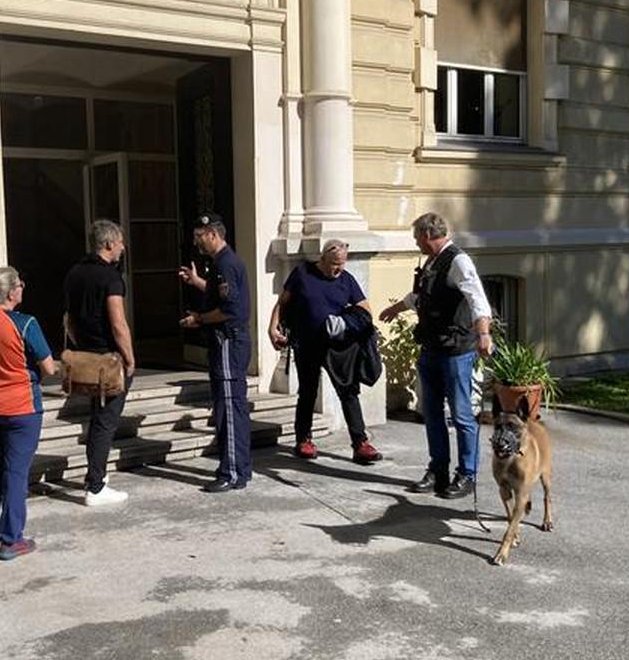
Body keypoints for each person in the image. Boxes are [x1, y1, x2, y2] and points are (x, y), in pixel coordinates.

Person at [379, 212, 493, 499]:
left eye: (417, 237)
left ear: (428, 235)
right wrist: (398, 308)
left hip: (455, 351)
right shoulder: (431, 261)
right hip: (431, 348)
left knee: (462, 415)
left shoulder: (458, 260)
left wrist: (483, 334)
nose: (416, 242)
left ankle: (467, 475)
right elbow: (423, 295)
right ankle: (438, 470)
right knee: (431, 414)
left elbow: (477, 299)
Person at [0, 266, 57, 560]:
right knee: (15, 473)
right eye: (20, 284)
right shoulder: (25, 323)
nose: (23, 288)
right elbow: (49, 367)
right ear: (12, 291)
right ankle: (11, 538)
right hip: (20, 406)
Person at [268, 240, 383, 464]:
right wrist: (272, 328)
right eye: (334, 265)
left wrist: (344, 322)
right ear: (322, 259)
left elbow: (365, 310)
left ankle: (360, 444)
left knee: (348, 392)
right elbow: (282, 303)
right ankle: (303, 440)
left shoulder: (346, 280)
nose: (338, 269)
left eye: (342, 264)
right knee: (308, 392)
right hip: (307, 344)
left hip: (338, 347)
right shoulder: (302, 274)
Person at [62, 220, 136, 507]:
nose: (122, 248)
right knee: (105, 422)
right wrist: (129, 358)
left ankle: (96, 479)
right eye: (119, 243)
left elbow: (68, 321)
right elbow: (118, 323)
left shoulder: (74, 273)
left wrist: (82, 346)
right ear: (108, 244)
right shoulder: (111, 278)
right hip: (109, 359)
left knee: (97, 418)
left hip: (86, 357)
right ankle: (95, 485)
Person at [178, 213, 252, 493]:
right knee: (230, 408)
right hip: (226, 343)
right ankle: (239, 468)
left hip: (228, 343)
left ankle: (232, 472)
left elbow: (230, 310)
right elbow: (220, 294)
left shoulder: (226, 264)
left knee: (229, 409)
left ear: (212, 234)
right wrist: (197, 282)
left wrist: (198, 319)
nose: (197, 243)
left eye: (200, 236)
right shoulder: (221, 264)